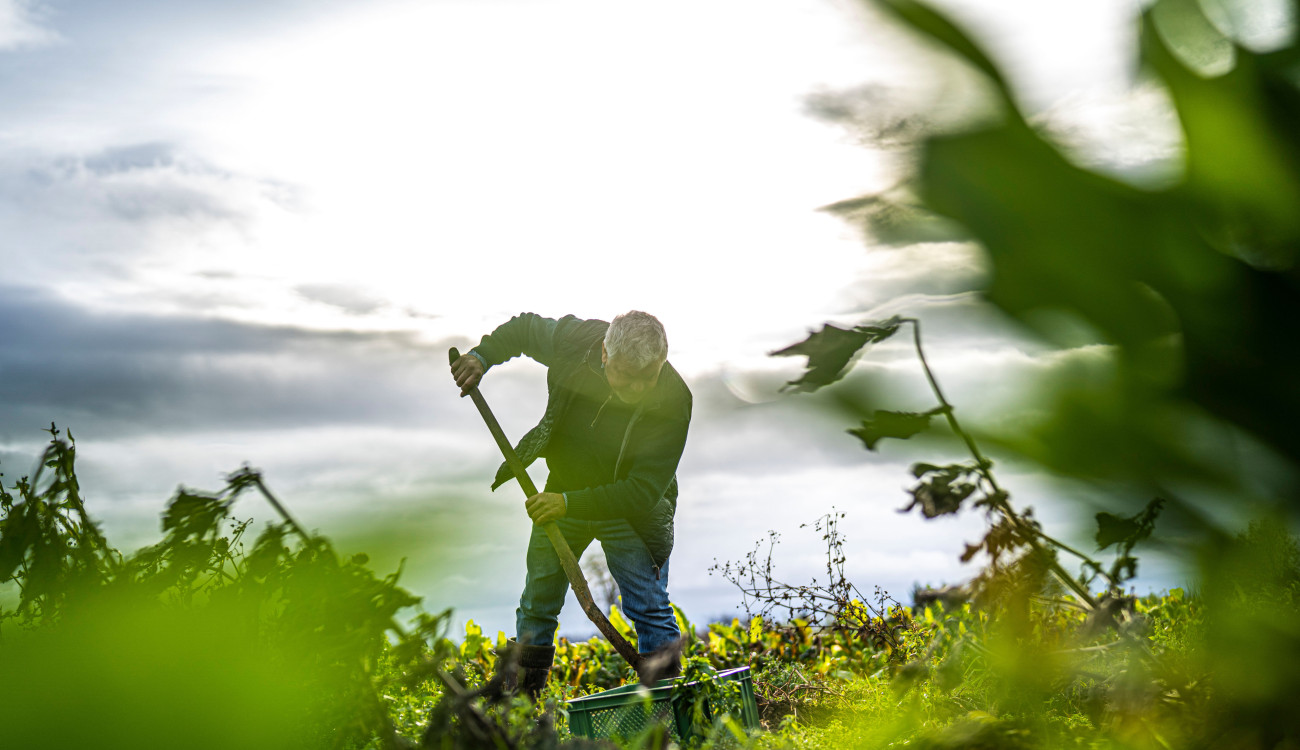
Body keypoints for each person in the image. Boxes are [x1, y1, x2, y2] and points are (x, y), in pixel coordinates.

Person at [450, 311, 692, 698]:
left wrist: (567, 504)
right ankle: (523, 707)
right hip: (563, 488)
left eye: (648, 376)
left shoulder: (674, 399)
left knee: (648, 604)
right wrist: (482, 356)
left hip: (630, 510)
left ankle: (670, 708)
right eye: (626, 375)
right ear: (604, 354)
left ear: (663, 359)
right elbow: (525, 329)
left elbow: (643, 490)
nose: (638, 387)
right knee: (538, 601)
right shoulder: (576, 340)